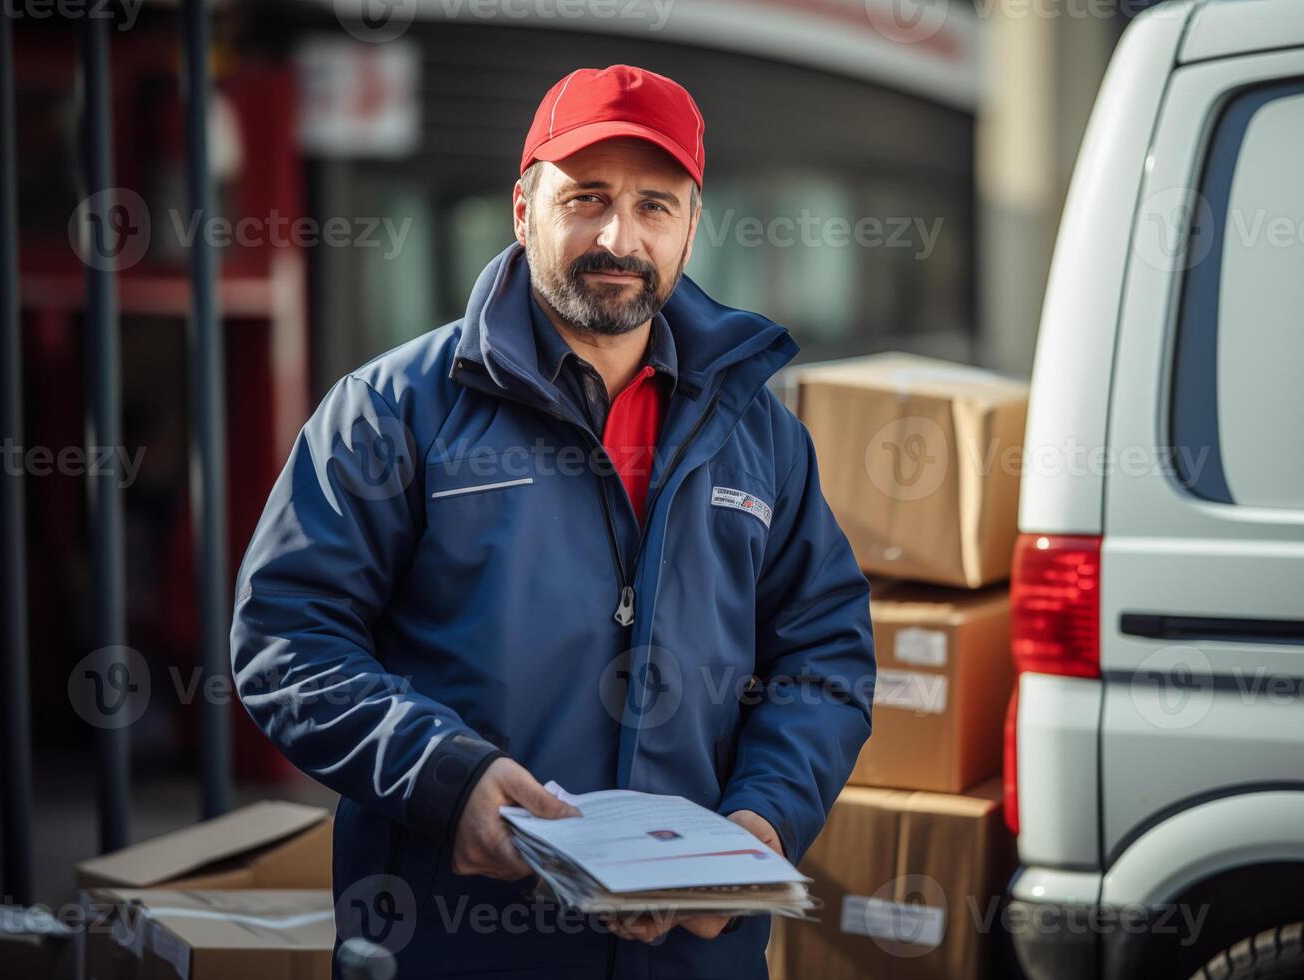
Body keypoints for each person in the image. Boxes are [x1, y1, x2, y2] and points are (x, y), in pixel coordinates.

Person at [231, 64, 874, 979]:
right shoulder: (390, 412)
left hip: (694, 957)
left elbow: (825, 655)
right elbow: (285, 641)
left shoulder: (760, 434)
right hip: (450, 945)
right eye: (586, 198)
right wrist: (446, 782)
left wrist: (761, 821)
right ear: (523, 208)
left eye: (655, 205)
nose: (620, 236)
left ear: (693, 228)